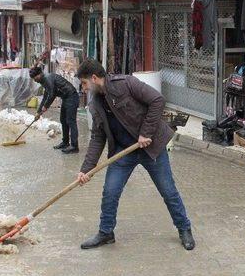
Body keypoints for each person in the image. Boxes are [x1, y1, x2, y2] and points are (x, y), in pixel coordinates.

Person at [75, 58, 195, 251]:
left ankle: (184, 229)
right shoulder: (95, 104)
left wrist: (146, 133)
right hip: (123, 152)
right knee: (110, 192)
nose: (84, 88)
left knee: (168, 191)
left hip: (150, 147)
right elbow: (98, 137)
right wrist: (86, 170)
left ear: (95, 78)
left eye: (84, 83)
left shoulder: (126, 83)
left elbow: (157, 100)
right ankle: (106, 233)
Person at [29, 66, 80, 154]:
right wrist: (38, 111)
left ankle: (74, 146)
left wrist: (46, 106)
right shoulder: (43, 81)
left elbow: (52, 94)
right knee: (63, 120)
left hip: (71, 96)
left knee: (70, 121)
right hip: (65, 98)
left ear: (40, 74)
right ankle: (65, 142)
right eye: (33, 78)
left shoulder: (48, 78)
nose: (34, 80)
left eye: (35, 77)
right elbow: (45, 96)